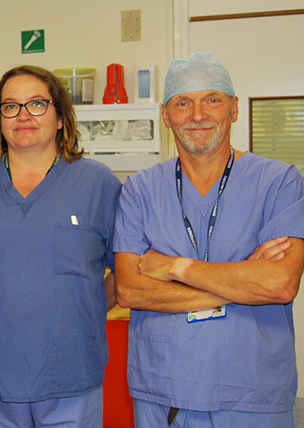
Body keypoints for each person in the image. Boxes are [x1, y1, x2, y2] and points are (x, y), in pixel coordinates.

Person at [114, 52, 304, 428]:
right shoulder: (140, 189)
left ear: (234, 108)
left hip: (253, 390)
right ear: (166, 116)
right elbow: (131, 291)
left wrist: (174, 267)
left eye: (212, 100)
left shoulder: (279, 182)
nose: (198, 114)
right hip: (165, 391)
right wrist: (244, 282)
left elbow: (281, 283)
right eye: (183, 102)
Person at [0, 65, 121, 427]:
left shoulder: (96, 183)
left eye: (37, 104)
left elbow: (126, 271)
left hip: (71, 373)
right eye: (10, 106)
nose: (23, 115)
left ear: (60, 117)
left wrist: (81, 313)